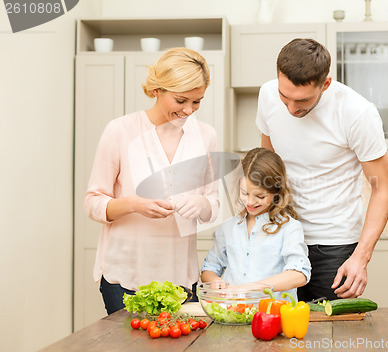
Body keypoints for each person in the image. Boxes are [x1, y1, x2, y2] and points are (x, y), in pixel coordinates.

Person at [256, 38, 388, 301]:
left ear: (326, 84)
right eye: (284, 97)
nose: (292, 109)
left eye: (303, 100)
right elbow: (268, 164)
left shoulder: (357, 113)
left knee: (329, 337)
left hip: (334, 245)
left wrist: (360, 258)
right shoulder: (267, 94)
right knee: (276, 334)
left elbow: (383, 187)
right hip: (282, 236)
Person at [84, 47, 219, 314]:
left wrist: (202, 204)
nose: (189, 110)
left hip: (181, 276)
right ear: (157, 90)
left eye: (197, 101)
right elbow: (92, 203)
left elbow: (213, 201)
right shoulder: (120, 131)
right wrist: (134, 204)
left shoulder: (205, 135)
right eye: (180, 100)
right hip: (125, 274)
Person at [200, 147, 311, 299]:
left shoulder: (289, 228)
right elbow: (209, 269)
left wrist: (249, 289)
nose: (250, 201)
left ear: (276, 191)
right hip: (233, 311)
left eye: (260, 196)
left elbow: (299, 274)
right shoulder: (228, 227)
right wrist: (215, 281)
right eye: (245, 193)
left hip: (272, 314)